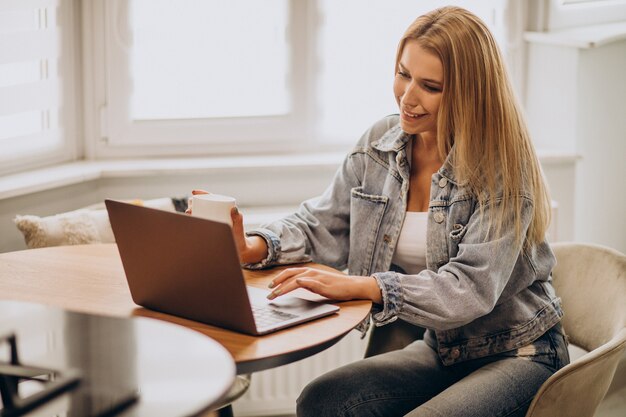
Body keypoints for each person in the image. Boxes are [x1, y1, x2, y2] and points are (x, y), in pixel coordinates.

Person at [192, 6, 569, 416]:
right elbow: (326, 223)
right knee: (323, 401)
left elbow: (468, 290)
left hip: (521, 352)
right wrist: (253, 245)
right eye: (404, 74)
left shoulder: (502, 170)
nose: (407, 97)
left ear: (469, 93)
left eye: (430, 86)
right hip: (443, 349)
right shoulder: (381, 144)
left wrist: (367, 287)